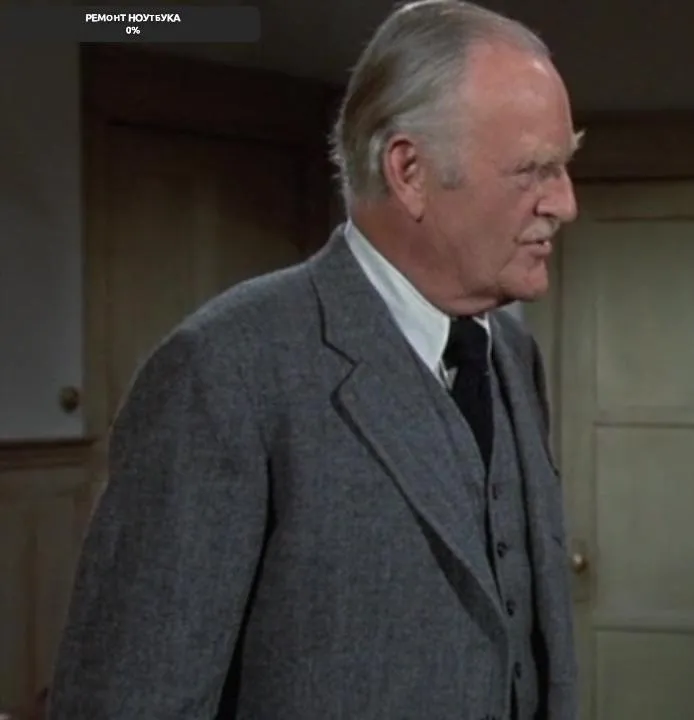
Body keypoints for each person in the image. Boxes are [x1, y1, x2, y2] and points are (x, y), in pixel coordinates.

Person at [48, 1, 581, 718]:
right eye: (533, 170)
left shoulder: (512, 356)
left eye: (564, 167)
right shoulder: (226, 370)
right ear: (410, 170)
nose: (565, 204)